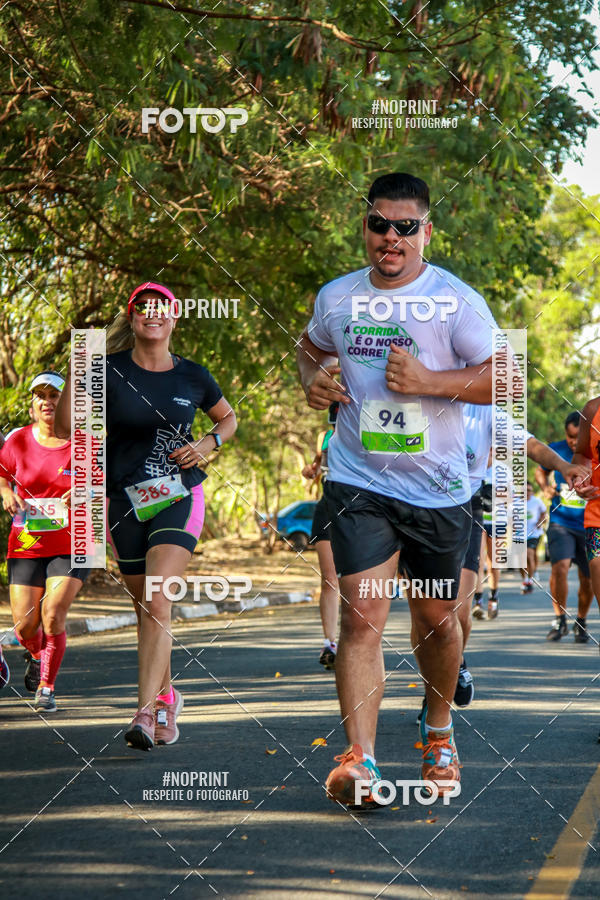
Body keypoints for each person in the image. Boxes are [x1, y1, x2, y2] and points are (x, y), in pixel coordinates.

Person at [297, 172, 498, 806]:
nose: (391, 237)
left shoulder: (455, 301)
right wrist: (313, 380)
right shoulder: (337, 296)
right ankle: (361, 760)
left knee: (437, 621)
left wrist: (431, 382)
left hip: (439, 490)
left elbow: (507, 379)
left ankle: (438, 734)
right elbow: (309, 349)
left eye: (405, 227)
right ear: (365, 227)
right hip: (358, 480)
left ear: (426, 232)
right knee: (361, 616)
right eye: (379, 224)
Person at [55, 282, 237, 750]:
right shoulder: (107, 370)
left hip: (179, 494)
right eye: (143, 308)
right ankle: (167, 695)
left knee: (158, 599)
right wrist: (76, 372)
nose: (152, 314)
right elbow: (65, 426)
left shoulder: (193, 375)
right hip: (124, 502)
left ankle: (144, 712)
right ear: (133, 317)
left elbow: (228, 418)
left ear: (174, 317)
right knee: (147, 609)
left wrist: (209, 442)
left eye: (161, 308)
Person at [0, 372, 90, 712]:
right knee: (25, 626)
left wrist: (84, 493)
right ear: (32, 404)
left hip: (72, 543)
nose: (48, 401)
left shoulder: (83, 443)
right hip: (26, 543)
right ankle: (37, 655)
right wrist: (6, 493)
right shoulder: (18, 441)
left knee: (52, 615)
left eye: (55, 396)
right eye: (41, 395)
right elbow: (3, 476)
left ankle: (46, 688)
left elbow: (103, 485)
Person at [535, 412, 594, 643]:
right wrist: (545, 487)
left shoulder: (595, 451)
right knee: (559, 568)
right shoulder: (556, 450)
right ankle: (559, 619)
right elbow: (541, 470)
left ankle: (581, 620)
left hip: (590, 524)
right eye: (570, 437)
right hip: (561, 522)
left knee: (588, 578)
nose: (573, 442)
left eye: (578, 437)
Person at [303, 402, 340, 670]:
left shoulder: (368, 433)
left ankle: (357, 639)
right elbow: (317, 467)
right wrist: (311, 471)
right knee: (329, 578)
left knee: (354, 581)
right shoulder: (325, 437)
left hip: (359, 509)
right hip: (327, 506)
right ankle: (330, 643)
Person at [521, 482, 547, 593]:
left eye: (529, 490)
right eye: (525, 490)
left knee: (530, 554)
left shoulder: (537, 501)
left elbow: (544, 513)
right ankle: (525, 578)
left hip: (534, 533)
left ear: (532, 492)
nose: (527, 492)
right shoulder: (515, 502)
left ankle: (529, 580)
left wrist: (540, 522)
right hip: (519, 534)